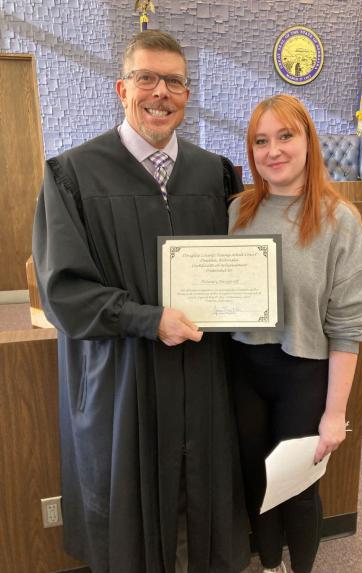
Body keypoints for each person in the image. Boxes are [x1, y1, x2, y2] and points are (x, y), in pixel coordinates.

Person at [32, 30, 250, 573]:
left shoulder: (213, 172)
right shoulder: (72, 174)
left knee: (200, 499)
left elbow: (240, 268)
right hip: (121, 375)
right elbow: (64, 292)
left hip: (200, 370)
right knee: (127, 508)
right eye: (146, 78)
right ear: (122, 88)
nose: (160, 92)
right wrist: (148, 320)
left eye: (174, 81)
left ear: (187, 93)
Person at [228, 94, 362, 573]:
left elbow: (348, 328)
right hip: (243, 369)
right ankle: (270, 564)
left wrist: (334, 414)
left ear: (308, 142)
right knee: (257, 480)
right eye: (260, 140)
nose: (272, 150)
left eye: (285, 136)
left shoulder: (339, 221)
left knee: (297, 489)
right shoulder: (238, 213)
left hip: (304, 372)